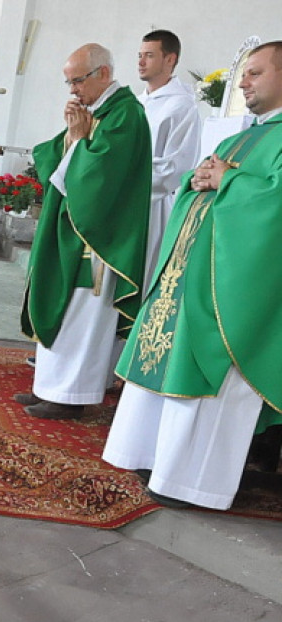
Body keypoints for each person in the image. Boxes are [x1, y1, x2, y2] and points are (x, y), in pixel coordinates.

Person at [104, 41, 282, 509]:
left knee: (215, 383)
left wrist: (228, 182)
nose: (242, 82)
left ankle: (192, 484)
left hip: (237, 294)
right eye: (244, 73)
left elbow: (275, 205)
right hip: (191, 279)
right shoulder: (241, 137)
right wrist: (196, 182)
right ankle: (149, 455)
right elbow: (196, 185)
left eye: (256, 73)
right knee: (167, 358)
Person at [17, 43, 151, 420]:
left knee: (81, 315)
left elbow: (100, 177)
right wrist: (70, 139)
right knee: (64, 308)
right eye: (69, 82)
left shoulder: (126, 114)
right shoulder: (100, 111)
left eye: (78, 80)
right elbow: (63, 160)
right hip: (75, 232)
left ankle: (72, 397)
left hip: (98, 238)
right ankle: (48, 387)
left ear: (103, 74)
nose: (73, 89)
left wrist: (77, 141)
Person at [136, 29, 201, 294]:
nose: (140, 62)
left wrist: (126, 186)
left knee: (141, 278)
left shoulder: (181, 106)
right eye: (139, 55)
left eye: (149, 56)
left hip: (152, 206)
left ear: (170, 59)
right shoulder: (136, 103)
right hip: (126, 201)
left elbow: (176, 167)